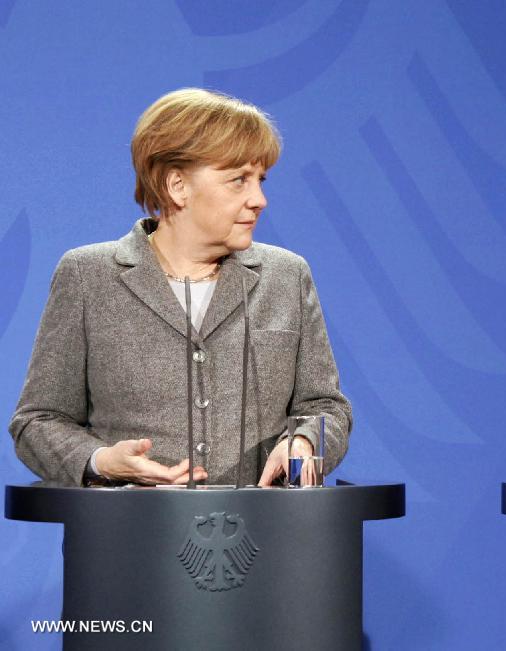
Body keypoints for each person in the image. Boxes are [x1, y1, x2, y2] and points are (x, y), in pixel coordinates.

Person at [9, 88, 352, 487]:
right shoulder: (88, 275)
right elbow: (37, 421)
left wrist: (306, 443)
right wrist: (101, 461)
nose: (259, 199)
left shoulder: (287, 276)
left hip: (265, 539)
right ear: (177, 186)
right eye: (238, 180)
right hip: (125, 539)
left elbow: (325, 406)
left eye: (260, 180)